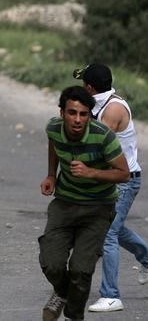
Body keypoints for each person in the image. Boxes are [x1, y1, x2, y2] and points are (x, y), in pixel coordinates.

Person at [39, 85, 129, 321]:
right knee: (51, 263)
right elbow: (54, 144)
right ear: (62, 113)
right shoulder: (54, 128)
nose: (77, 120)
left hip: (98, 208)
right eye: (72, 113)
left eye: (83, 114)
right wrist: (51, 175)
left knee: (81, 269)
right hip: (65, 203)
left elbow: (123, 173)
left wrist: (91, 173)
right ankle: (61, 291)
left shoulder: (103, 136)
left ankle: (73, 316)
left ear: (89, 115)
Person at [69, 64, 148, 313]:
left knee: (108, 234)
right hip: (112, 178)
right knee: (114, 227)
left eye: (84, 85)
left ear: (90, 88)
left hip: (124, 180)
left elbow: (98, 146)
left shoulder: (112, 109)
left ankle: (111, 296)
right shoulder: (99, 105)